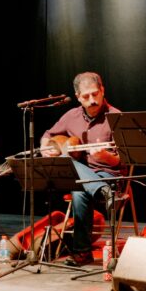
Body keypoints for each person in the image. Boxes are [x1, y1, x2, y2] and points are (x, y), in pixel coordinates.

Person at [41, 72, 122, 266]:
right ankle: (102, 192)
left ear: (102, 91)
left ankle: (81, 252)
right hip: (85, 177)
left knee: (79, 190)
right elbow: (47, 134)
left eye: (95, 94)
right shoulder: (71, 116)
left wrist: (106, 156)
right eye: (86, 96)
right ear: (78, 97)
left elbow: (122, 162)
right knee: (68, 166)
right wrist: (46, 148)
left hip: (109, 175)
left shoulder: (116, 116)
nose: (92, 100)